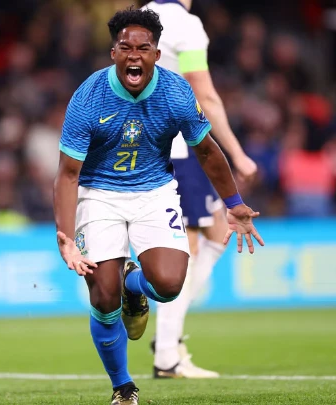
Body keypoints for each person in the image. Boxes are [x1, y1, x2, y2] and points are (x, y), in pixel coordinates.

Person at [53, 7, 263, 405]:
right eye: (125, 47)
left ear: (156, 53)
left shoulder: (176, 92)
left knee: (168, 286)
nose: (135, 55)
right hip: (99, 194)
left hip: (155, 191)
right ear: (113, 52)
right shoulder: (87, 98)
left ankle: (136, 284)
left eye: (144, 48)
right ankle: (123, 387)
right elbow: (67, 174)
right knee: (103, 297)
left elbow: (207, 150)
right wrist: (66, 237)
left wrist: (233, 204)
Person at [142, 0, 258, 379]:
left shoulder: (139, 16)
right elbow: (205, 96)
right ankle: (167, 355)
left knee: (218, 232)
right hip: (179, 148)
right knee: (188, 247)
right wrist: (237, 154)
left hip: (151, 144)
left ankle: (168, 339)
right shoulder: (185, 24)